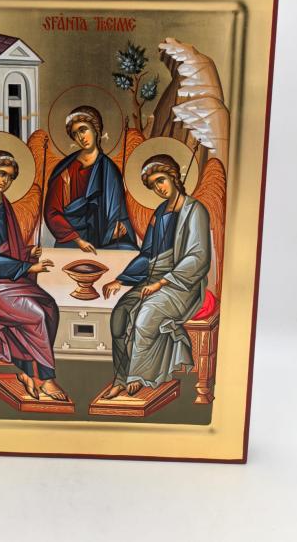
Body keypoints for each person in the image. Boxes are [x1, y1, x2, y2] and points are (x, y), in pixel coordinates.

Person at [101, 154, 211, 398]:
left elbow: (198, 257)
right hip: (152, 279)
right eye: (153, 185)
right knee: (119, 315)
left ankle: (138, 376)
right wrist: (121, 279)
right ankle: (120, 377)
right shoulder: (160, 212)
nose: (159, 188)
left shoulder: (195, 210)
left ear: (174, 176)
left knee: (145, 316)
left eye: (161, 180)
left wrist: (162, 282)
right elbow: (148, 254)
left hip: (182, 285)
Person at [0, 149, 67, 401]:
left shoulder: (4, 206)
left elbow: (8, 249)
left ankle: (27, 372)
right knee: (36, 314)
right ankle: (46, 378)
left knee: (49, 307)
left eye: (10, 176)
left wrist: (28, 253)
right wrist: (28, 267)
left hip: (7, 280)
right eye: (1, 174)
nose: (5, 181)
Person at [44, 105, 137, 252]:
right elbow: (51, 212)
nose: (80, 137)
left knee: (128, 249)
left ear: (95, 129)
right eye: (75, 134)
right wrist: (77, 240)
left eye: (83, 130)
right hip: (70, 239)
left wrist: (118, 228)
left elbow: (118, 212)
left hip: (103, 238)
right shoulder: (65, 170)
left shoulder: (109, 170)